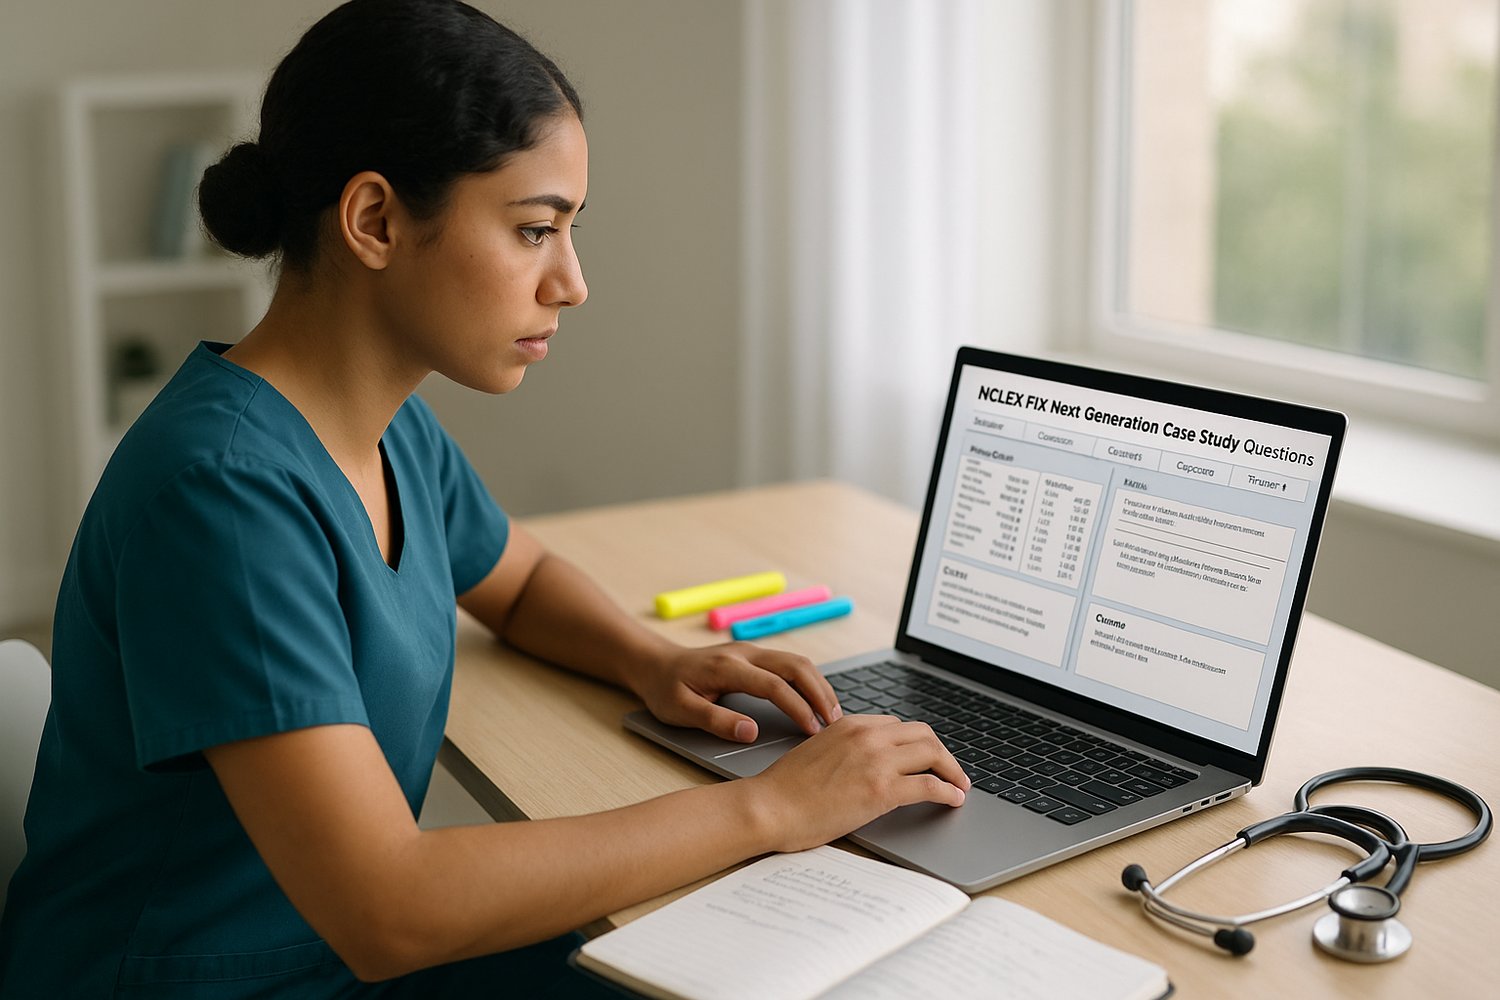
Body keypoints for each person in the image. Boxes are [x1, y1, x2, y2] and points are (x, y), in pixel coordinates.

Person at [0, 1, 968, 995]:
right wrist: (770, 809)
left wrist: (654, 660)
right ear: (375, 220)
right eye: (535, 230)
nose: (574, 283)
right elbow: (392, 907)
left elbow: (518, 577)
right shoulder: (224, 497)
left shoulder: (387, 426)